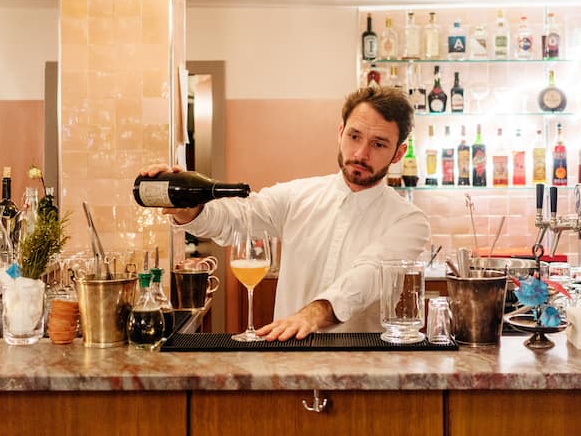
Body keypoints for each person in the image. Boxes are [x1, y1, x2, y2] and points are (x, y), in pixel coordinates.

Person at [141, 86, 430, 340]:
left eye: (378, 144)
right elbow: (237, 218)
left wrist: (312, 315)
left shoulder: (409, 221)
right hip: (290, 359)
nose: (361, 153)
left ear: (398, 153)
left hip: (365, 371)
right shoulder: (297, 196)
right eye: (354, 136)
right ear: (340, 132)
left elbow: (370, 275)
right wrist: (189, 209)